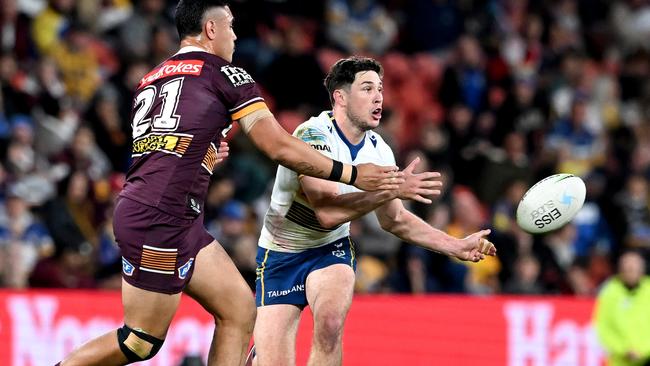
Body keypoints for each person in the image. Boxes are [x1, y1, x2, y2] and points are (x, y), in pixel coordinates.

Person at [57, 1, 402, 365]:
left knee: (238, 310)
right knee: (140, 341)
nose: (235, 35)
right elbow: (277, 145)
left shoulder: (153, 77)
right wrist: (350, 173)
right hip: (161, 219)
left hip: (169, 214)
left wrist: (204, 152)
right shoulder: (225, 74)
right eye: (230, 26)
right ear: (210, 30)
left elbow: (161, 148)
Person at [251, 56, 496, 366]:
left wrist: (455, 245)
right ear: (340, 97)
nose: (379, 96)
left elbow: (394, 220)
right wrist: (388, 190)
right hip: (280, 255)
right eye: (367, 88)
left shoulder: (380, 150)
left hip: (330, 250)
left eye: (380, 88)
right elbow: (327, 212)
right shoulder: (312, 135)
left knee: (329, 323)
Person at [594, 250, 650, 366]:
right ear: (620, 270)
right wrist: (624, 350)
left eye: (634, 268)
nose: (631, 272)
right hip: (619, 361)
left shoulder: (648, 289)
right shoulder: (610, 292)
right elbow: (603, 328)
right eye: (627, 269)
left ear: (642, 270)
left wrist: (643, 350)